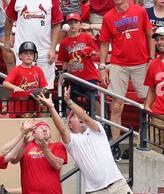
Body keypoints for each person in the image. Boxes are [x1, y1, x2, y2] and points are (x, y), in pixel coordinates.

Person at [38, 88, 148, 194]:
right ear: (70, 124)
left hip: (117, 183)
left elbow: (86, 116)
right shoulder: (72, 141)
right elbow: (62, 130)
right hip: (96, 192)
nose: (80, 116)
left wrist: (70, 102)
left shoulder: (97, 130)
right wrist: (51, 107)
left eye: (80, 114)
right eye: (74, 116)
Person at [99, 0, 153, 159]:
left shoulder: (140, 11)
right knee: (116, 106)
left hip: (141, 62)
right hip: (118, 64)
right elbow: (104, 43)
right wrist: (102, 67)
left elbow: (149, 34)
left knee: (148, 104)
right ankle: (115, 145)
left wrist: (151, 59)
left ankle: (147, 141)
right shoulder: (108, 17)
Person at [11, 120, 75, 194]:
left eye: (47, 128)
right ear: (34, 133)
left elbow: (57, 165)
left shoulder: (57, 146)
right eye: (41, 128)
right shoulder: (26, 145)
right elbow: (14, 160)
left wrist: (45, 149)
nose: (45, 129)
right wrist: (22, 143)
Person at [4, 0, 63, 89]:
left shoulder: (52, 1)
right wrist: (7, 40)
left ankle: (44, 103)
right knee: (22, 86)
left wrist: (53, 48)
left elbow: (57, 24)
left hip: (45, 49)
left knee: (46, 87)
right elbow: (9, 20)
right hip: (23, 49)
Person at [57, 12, 100, 114]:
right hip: (73, 78)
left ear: (80, 24)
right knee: (71, 102)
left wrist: (90, 51)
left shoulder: (86, 37)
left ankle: (101, 124)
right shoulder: (64, 43)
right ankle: (71, 124)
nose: (73, 25)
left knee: (94, 100)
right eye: (70, 22)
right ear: (67, 25)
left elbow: (95, 52)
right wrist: (64, 75)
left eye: (75, 22)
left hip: (89, 76)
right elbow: (64, 62)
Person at [3, 41, 48, 118]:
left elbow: (44, 87)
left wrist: (40, 94)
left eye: (31, 53)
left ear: (34, 56)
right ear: (20, 55)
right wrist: (15, 87)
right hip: (18, 109)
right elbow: (5, 83)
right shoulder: (16, 70)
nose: (28, 55)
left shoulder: (38, 70)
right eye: (26, 53)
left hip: (33, 108)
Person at [144, 26, 164, 152]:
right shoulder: (153, 64)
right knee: (152, 153)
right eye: (157, 40)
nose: (159, 42)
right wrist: (147, 106)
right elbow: (152, 89)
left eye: (162, 39)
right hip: (158, 115)